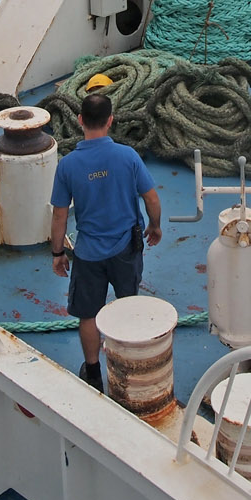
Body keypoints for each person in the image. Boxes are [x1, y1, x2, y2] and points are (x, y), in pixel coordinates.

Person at [49, 93, 162, 391]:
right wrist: (155, 226)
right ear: (111, 120)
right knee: (128, 306)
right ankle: (127, 365)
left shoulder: (68, 165)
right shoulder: (128, 156)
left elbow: (60, 216)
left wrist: (58, 252)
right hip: (126, 248)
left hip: (88, 254)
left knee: (88, 314)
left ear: (80, 121)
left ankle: (93, 372)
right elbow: (151, 197)